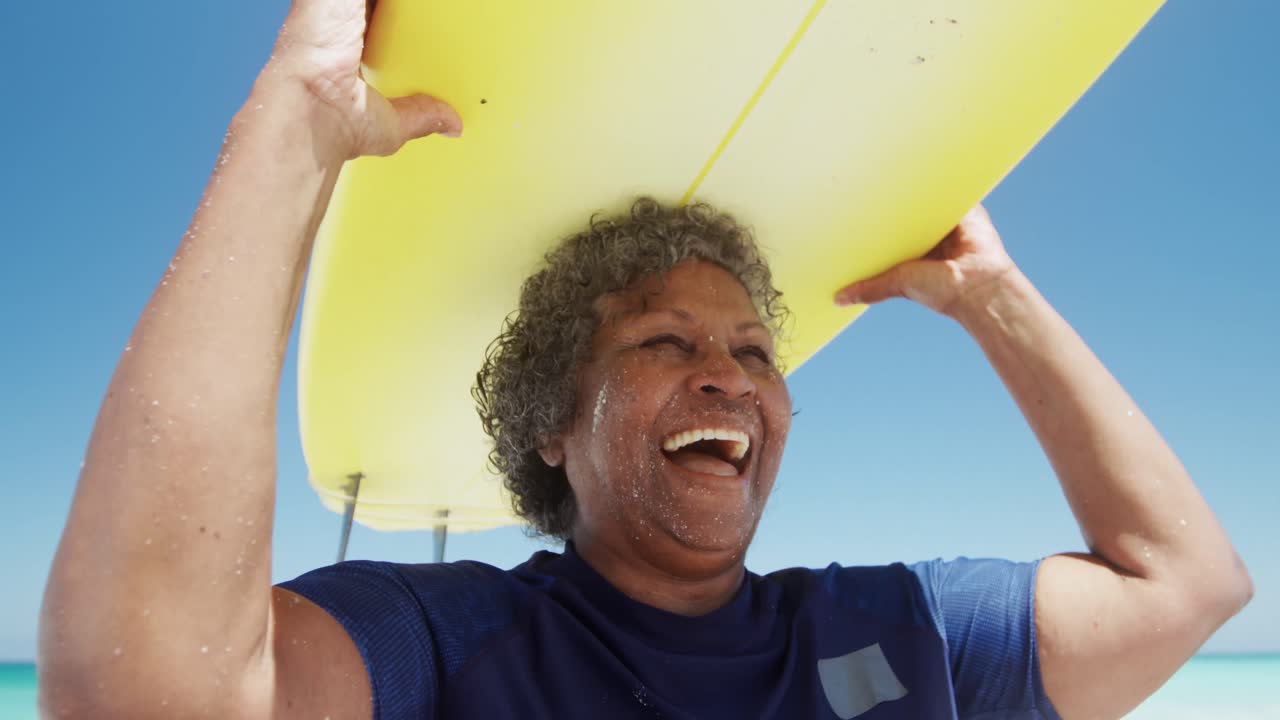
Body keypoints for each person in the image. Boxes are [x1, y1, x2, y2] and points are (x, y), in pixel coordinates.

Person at [39, 1, 1252, 718]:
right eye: (664, 342)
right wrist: (290, 132)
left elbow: (1184, 588)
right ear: (555, 424)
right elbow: (144, 692)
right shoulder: (452, 643)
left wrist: (993, 298)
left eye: (751, 349)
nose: (728, 375)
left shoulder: (899, 628)